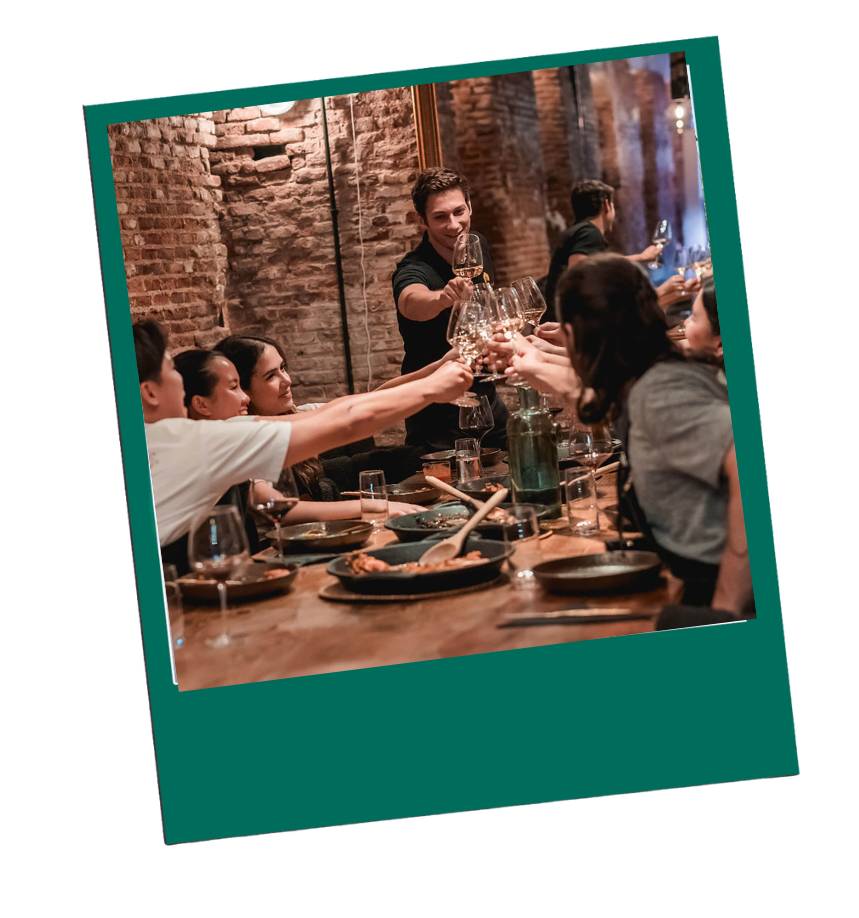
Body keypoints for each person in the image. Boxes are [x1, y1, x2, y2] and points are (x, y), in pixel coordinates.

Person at [514, 256, 752, 615]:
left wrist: (725, 605)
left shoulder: (658, 393)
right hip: (691, 575)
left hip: (723, 592)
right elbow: (595, 397)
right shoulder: (651, 375)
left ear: (582, 334)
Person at [134, 320, 472, 562]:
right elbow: (348, 421)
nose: (179, 379)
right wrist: (434, 388)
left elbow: (344, 409)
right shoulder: (191, 441)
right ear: (149, 391)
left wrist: (436, 371)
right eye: (171, 370)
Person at [174, 346, 425, 526]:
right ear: (200, 404)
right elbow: (271, 506)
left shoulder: (246, 431)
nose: (245, 398)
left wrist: (438, 369)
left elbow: (362, 404)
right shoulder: (227, 439)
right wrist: (374, 506)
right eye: (234, 388)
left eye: (283, 368)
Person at [391, 167, 509, 452]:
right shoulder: (414, 267)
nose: (454, 225)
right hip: (438, 416)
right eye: (440, 217)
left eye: (459, 212)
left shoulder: (476, 246)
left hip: (486, 401)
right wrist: (442, 299)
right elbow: (410, 302)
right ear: (422, 221)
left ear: (470, 206)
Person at [543, 179, 662, 313]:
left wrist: (642, 257)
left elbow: (595, 266)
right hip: (567, 321)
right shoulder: (589, 232)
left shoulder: (581, 231)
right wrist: (642, 257)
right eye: (613, 204)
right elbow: (581, 269)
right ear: (607, 205)